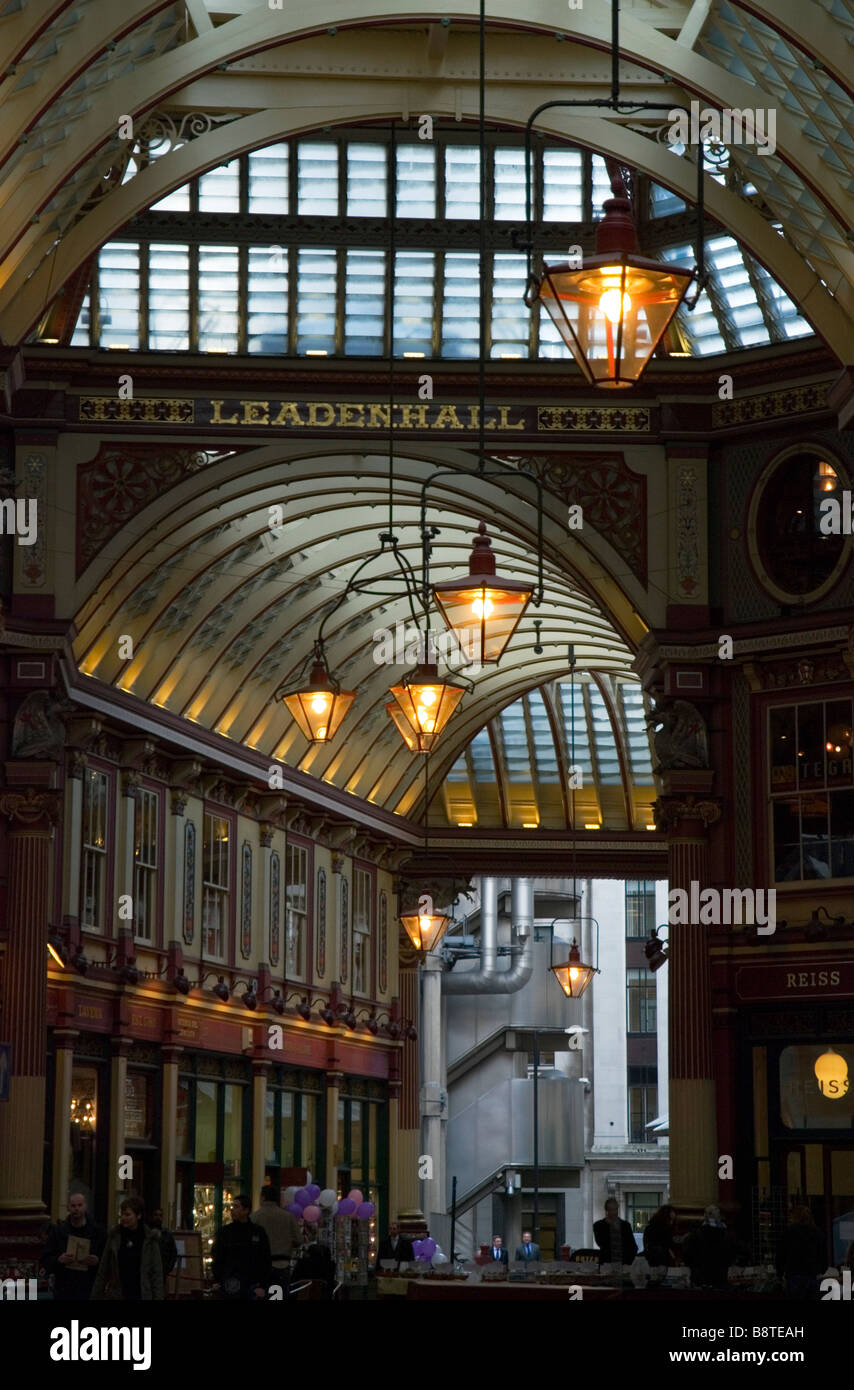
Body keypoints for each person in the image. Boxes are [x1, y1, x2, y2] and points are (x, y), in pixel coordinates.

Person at [92, 1196, 164, 1301]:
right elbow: (103, 1270)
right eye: (122, 1215)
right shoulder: (115, 1236)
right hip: (118, 1293)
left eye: (127, 1215)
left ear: (138, 1216)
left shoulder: (149, 1239)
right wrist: (96, 1295)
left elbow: (156, 1274)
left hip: (141, 1293)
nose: (123, 1218)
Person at [42, 1192, 106, 1301]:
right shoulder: (58, 1232)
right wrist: (59, 1259)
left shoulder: (98, 1232)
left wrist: (97, 1261)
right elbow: (46, 1259)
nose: (76, 1209)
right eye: (73, 1206)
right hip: (64, 1288)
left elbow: (107, 1260)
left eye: (80, 1205)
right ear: (68, 1208)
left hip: (89, 1288)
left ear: (85, 1207)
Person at [212, 1194, 272, 1300]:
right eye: (232, 1207)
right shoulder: (225, 1232)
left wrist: (263, 1285)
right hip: (229, 1283)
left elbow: (265, 1259)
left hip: (251, 1283)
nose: (232, 1210)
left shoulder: (257, 1232)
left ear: (246, 1210)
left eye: (236, 1207)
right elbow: (217, 1257)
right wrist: (217, 1280)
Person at [251, 1186, 302, 1287]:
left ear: (263, 1198)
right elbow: (298, 1240)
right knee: (278, 1295)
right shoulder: (288, 1217)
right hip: (282, 1265)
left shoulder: (255, 1217)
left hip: (260, 1267)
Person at [777, 1205, 825, 1300]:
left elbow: (781, 1255)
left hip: (794, 1276)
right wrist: (819, 1271)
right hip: (812, 1276)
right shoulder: (817, 1233)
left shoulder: (789, 1232)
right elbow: (823, 1257)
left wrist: (780, 1273)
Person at [684, 1205, 735, 1290]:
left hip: (700, 1279)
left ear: (705, 1215)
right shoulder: (727, 1235)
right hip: (721, 1278)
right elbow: (731, 1255)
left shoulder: (696, 1234)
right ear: (719, 1216)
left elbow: (688, 1255)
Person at [593, 1198, 638, 1268]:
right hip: (606, 1265)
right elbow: (601, 1243)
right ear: (606, 1211)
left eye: (615, 1209)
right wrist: (613, 1227)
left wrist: (628, 1263)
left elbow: (633, 1247)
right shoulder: (598, 1225)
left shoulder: (625, 1225)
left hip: (624, 1264)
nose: (614, 1212)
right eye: (611, 1210)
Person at [148, 1208, 178, 1283]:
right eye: (156, 1215)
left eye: (160, 1215)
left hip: (163, 1270)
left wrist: (167, 1269)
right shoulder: (146, 1233)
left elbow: (173, 1253)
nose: (158, 1217)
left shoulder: (167, 1234)